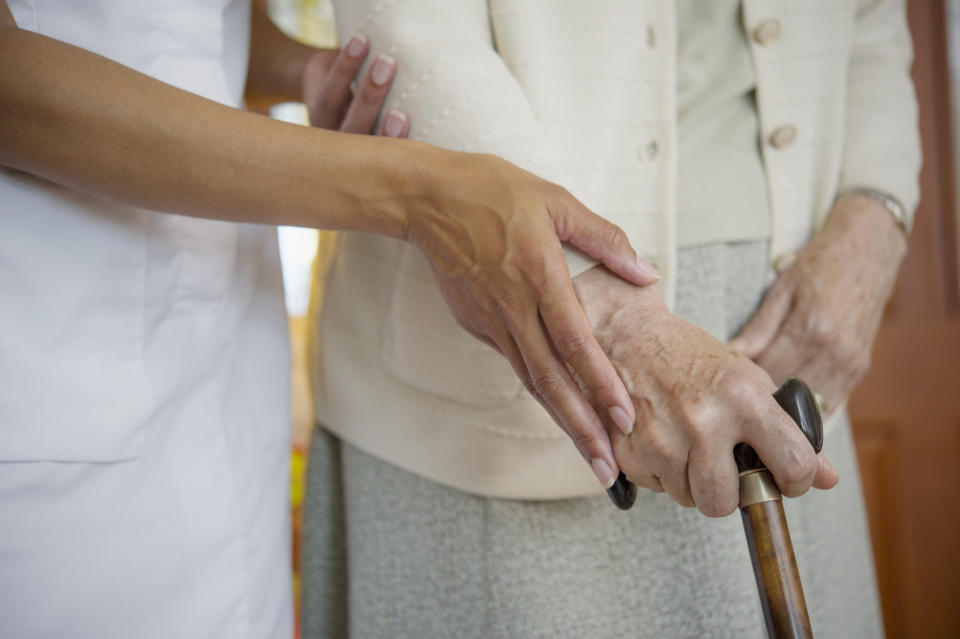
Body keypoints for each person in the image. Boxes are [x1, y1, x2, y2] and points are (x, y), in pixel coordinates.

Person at [0, 1, 656, 637]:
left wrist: (305, 69)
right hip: (47, 332)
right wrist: (419, 193)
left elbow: (191, 25)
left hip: (228, 352)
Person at [303, 0, 919, 637]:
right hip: (495, 379)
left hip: (792, 342)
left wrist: (877, 213)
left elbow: (873, 20)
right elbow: (410, 22)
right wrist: (593, 307)